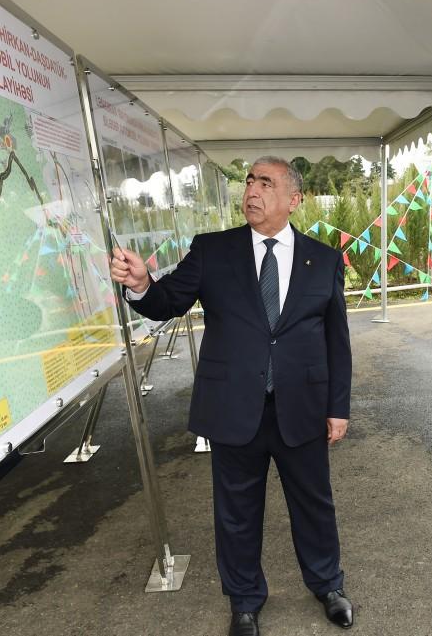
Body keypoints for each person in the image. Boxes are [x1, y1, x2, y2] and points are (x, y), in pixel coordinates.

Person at [110, 156, 354, 636]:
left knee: (314, 505)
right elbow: (167, 301)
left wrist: (337, 409)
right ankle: (244, 602)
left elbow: (336, 341)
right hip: (234, 409)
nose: (253, 191)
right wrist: (141, 284)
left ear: (294, 199)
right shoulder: (213, 251)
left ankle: (328, 585)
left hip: (301, 409)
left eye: (267, 183)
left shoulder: (323, 259)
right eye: (249, 181)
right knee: (236, 514)